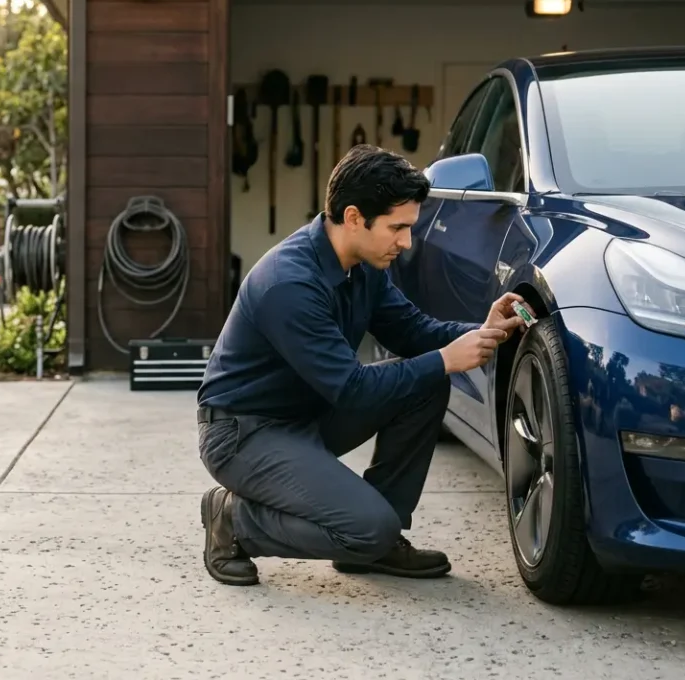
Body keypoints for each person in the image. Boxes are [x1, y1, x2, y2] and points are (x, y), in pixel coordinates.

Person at [196, 145, 533, 586]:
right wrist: (445, 359)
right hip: (246, 433)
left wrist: (484, 328)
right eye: (397, 228)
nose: (406, 242)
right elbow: (352, 389)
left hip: (308, 413)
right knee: (368, 524)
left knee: (426, 383)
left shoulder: (362, 265)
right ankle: (234, 520)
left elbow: (412, 330)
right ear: (354, 217)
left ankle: (374, 545)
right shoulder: (288, 284)